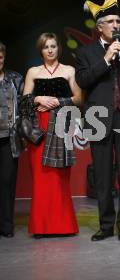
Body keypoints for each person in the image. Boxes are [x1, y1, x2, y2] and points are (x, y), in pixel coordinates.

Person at [75, 0, 120, 241]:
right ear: (99, 26)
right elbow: (82, 81)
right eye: (111, 21)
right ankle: (105, 226)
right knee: (103, 175)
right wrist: (106, 59)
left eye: (118, 21)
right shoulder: (86, 53)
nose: (116, 25)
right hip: (98, 118)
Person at [22, 33, 82, 237]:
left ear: (58, 49)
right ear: (41, 50)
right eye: (46, 47)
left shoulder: (69, 70)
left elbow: (79, 99)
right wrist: (38, 97)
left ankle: (63, 226)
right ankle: (41, 227)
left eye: (53, 46)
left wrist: (58, 101)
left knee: (59, 177)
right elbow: (24, 102)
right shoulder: (33, 72)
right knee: (41, 178)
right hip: (38, 129)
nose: (50, 50)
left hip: (61, 125)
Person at [0, 42, 24, 238]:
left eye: (0, 55)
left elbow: (25, 104)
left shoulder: (15, 78)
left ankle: (6, 225)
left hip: (9, 138)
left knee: (7, 183)